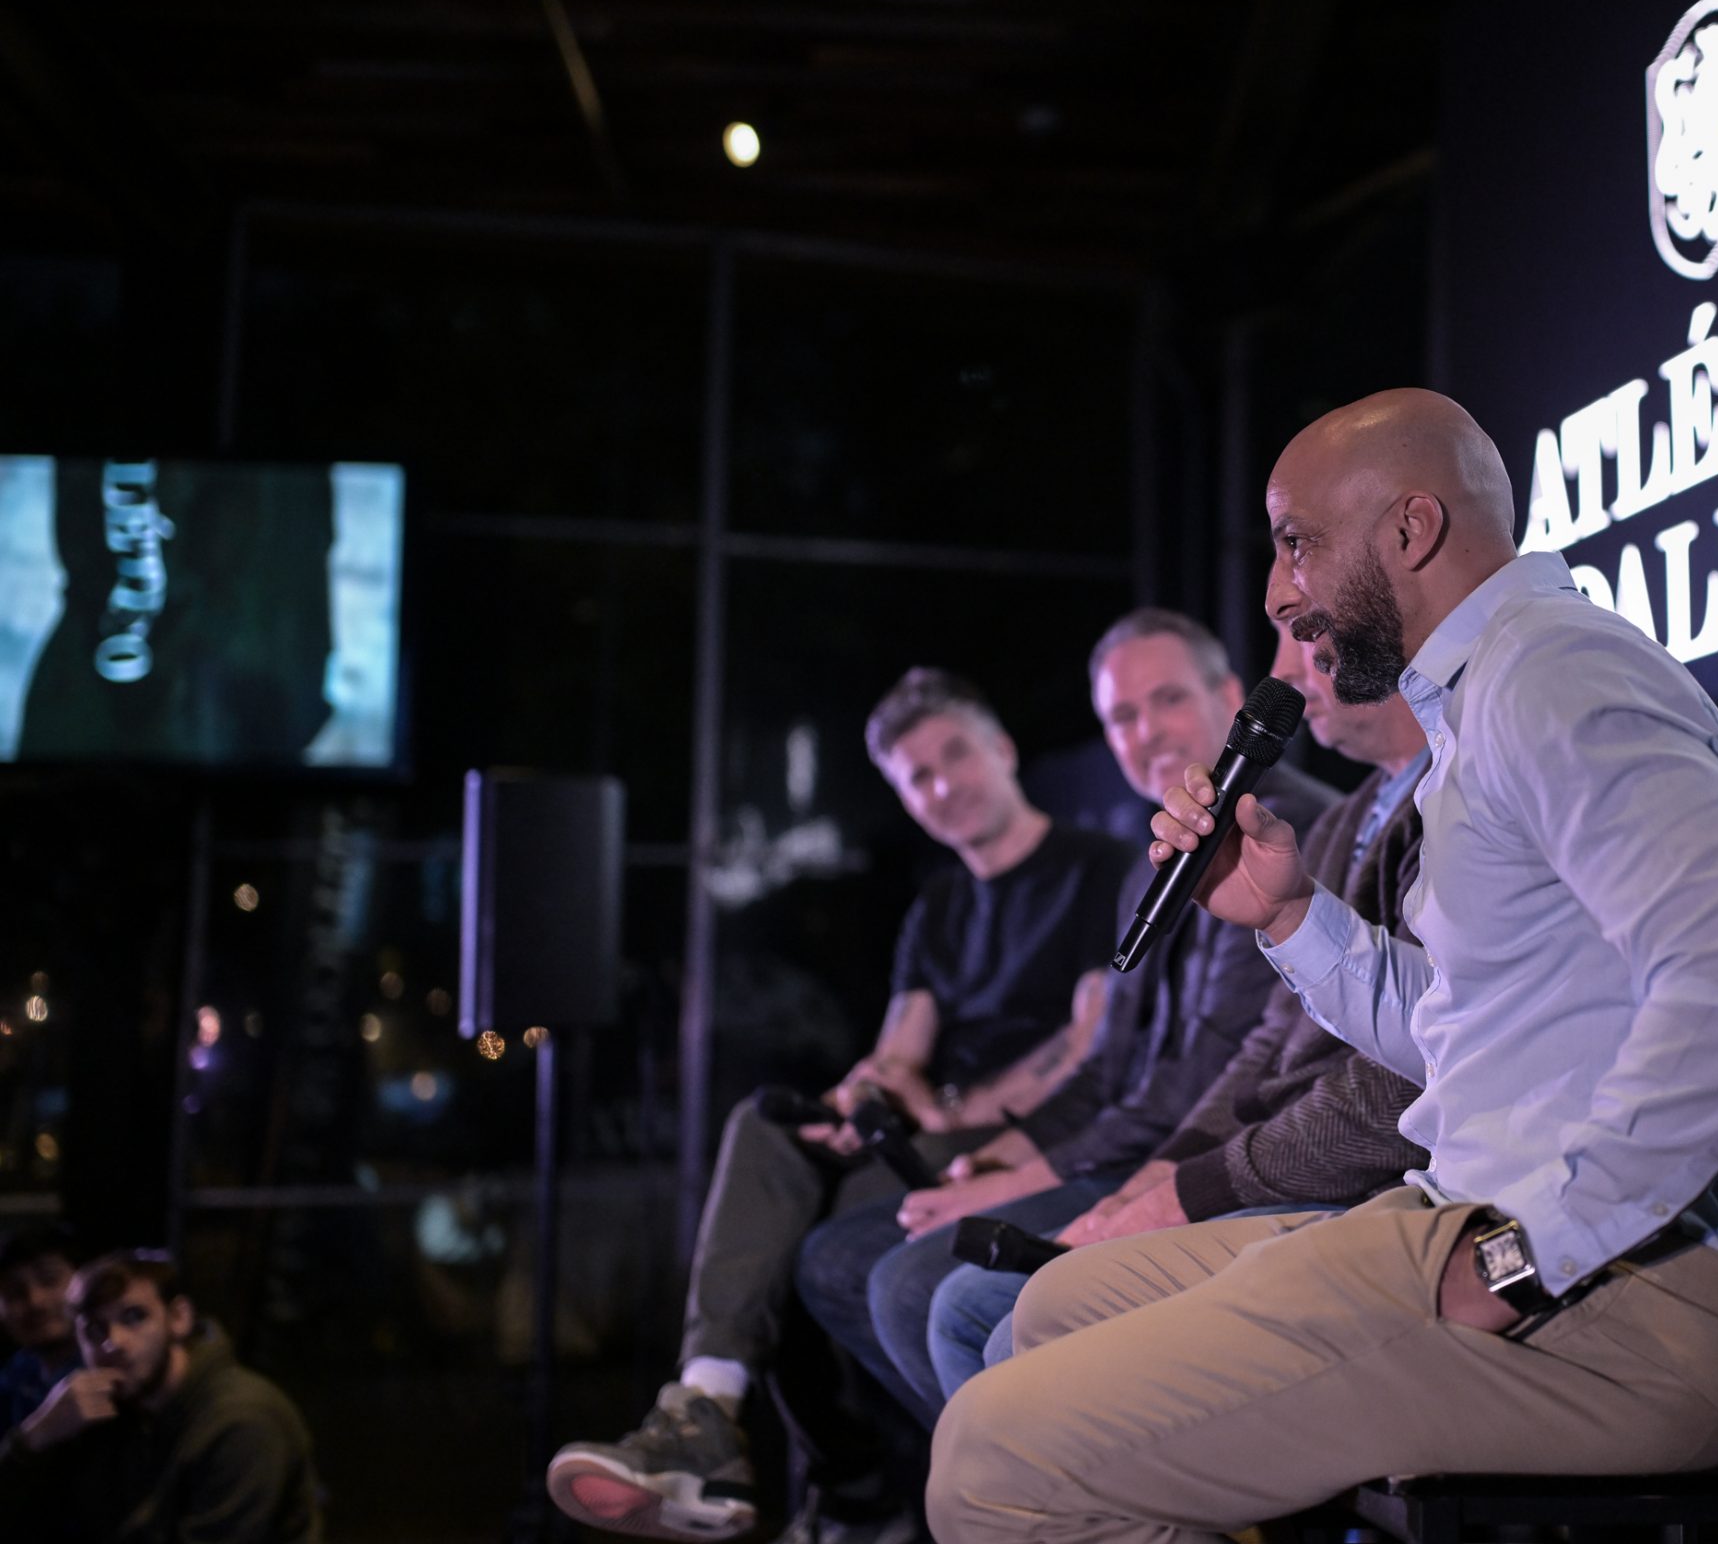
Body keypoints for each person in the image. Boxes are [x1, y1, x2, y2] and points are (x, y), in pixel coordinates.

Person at [926, 388, 1718, 1544]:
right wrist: (1293, 916)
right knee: (1051, 1303)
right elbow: (1471, 1035)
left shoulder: (1555, 677)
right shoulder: (1479, 704)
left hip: (1627, 1305)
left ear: (1409, 531)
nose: (1274, 591)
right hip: (1469, 1223)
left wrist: (1524, 1258)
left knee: (988, 1461)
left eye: (1296, 542)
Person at [549, 667, 1130, 1541]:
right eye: (918, 778)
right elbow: (901, 1049)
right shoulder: (938, 906)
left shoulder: (1100, 869)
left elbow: (1092, 1044)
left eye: (954, 757)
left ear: (1002, 750)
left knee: (813, 1232)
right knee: (767, 1126)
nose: (942, 786)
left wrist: (944, 1110)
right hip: (933, 1128)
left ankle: (853, 1494)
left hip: (1030, 1140)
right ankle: (705, 1405)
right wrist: (859, 1097)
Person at [790, 611, 1336, 1442]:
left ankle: (1035, 1495)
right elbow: (1109, 1065)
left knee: (920, 1292)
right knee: (845, 1260)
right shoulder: (1151, 857)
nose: (1145, 731)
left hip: (1208, 1164)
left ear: (1230, 697)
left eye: (1167, 700)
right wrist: (1008, 1153)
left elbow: (1212, 1080)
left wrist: (1044, 1181)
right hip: (1130, 1151)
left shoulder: (1292, 831)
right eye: (1122, 716)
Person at [920, 619, 1432, 1398]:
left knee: (985, 1316)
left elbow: (1390, 1079)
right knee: (956, 1298)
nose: (1288, 675)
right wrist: (1144, 1184)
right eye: (1121, 717)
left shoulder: (1311, 818)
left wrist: (1169, 1188)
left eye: (1308, 640)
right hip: (1238, 1155)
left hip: (1348, 1183)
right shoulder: (1337, 820)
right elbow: (1257, 1049)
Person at [0, 1250, 322, 1543]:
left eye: (134, 1317)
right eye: (95, 1330)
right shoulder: (109, 1409)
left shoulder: (241, 1419)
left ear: (178, 1318)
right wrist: (36, 1435)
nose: (113, 1342)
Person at [1, 1223, 83, 1432]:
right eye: (14, 1291)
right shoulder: (16, 1374)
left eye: (49, 1280)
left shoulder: (117, 1367)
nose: (35, 1301)